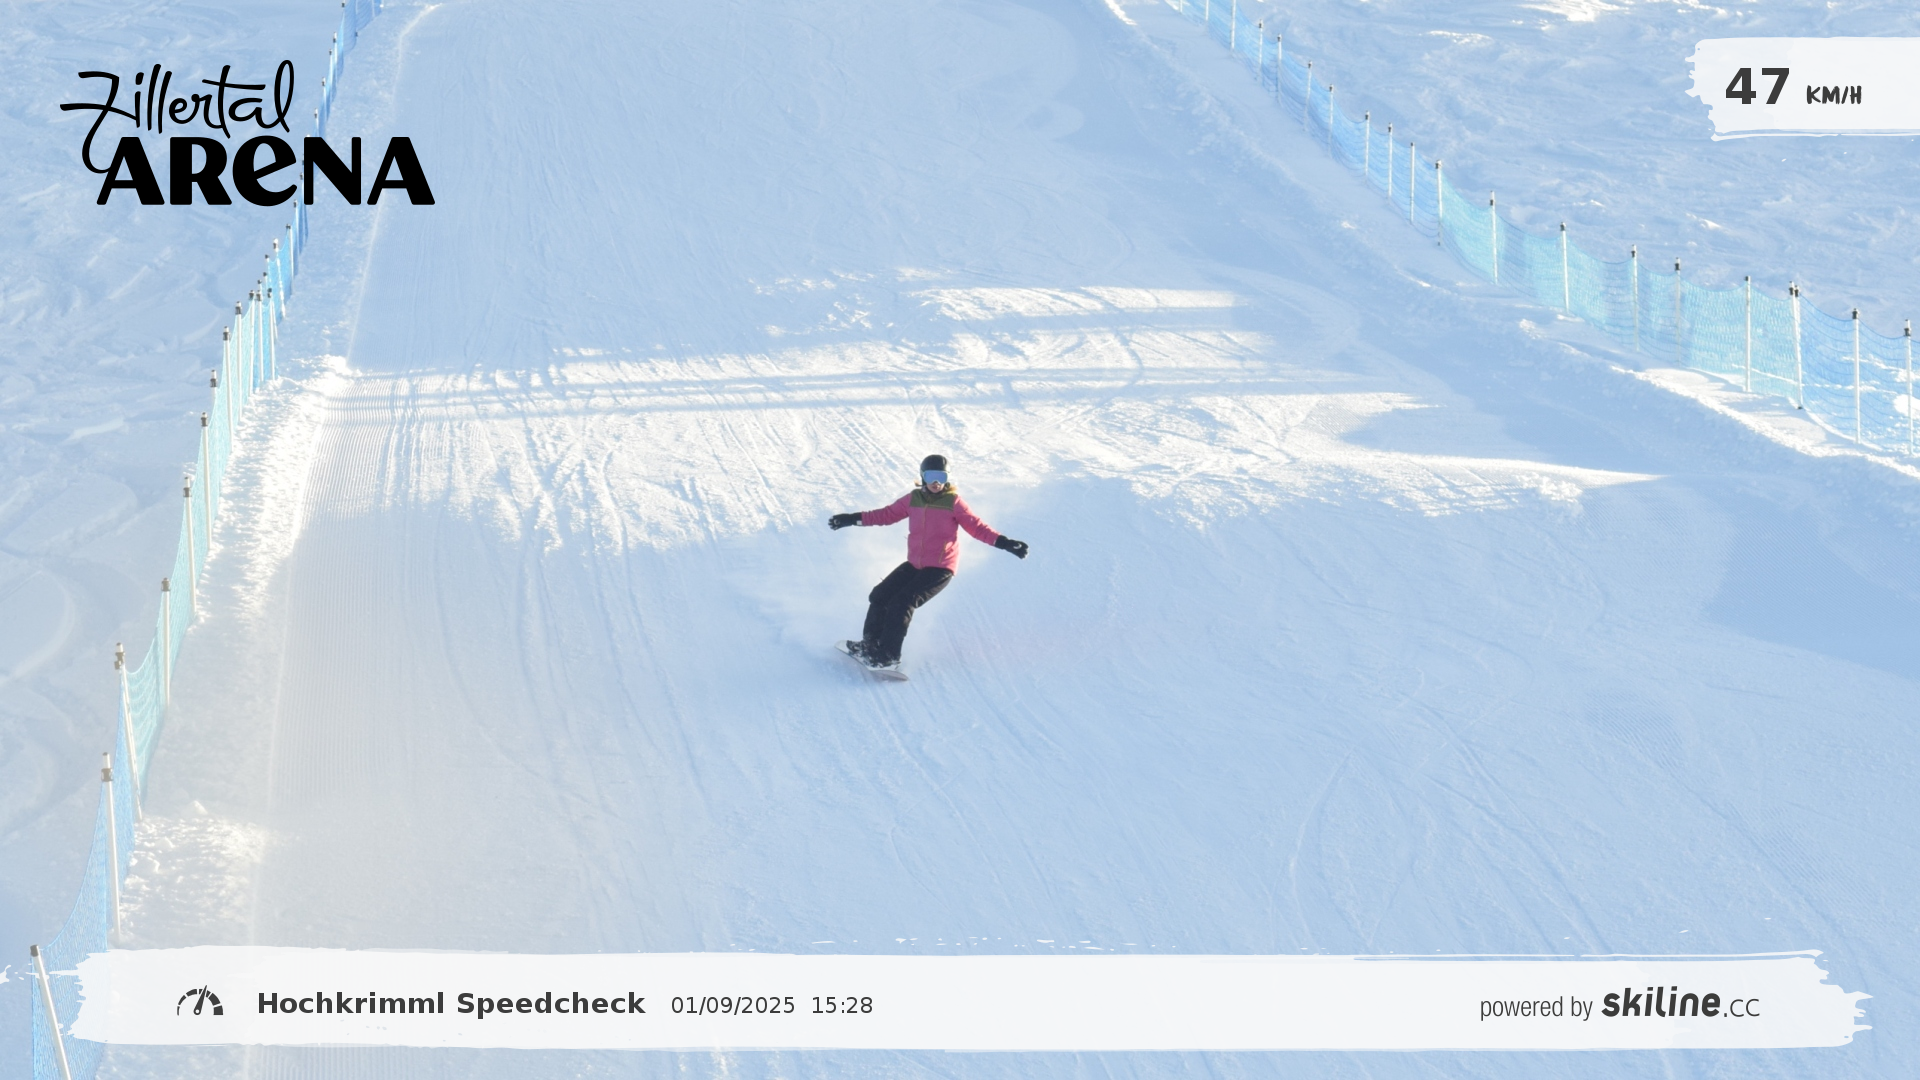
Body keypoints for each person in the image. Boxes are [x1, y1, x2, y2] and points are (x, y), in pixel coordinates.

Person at [829, 454, 1028, 671]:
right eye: (931, 476)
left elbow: (977, 528)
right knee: (879, 595)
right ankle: (870, 645)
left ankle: (888, 656)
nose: (936, 482)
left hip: (940, 568)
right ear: (922, 476)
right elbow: (886, 515)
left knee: (903, 602)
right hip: (915, 564)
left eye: (941, 477)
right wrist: (852, 518)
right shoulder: (913, 499)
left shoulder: (954, 503)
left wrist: (1006, 543)